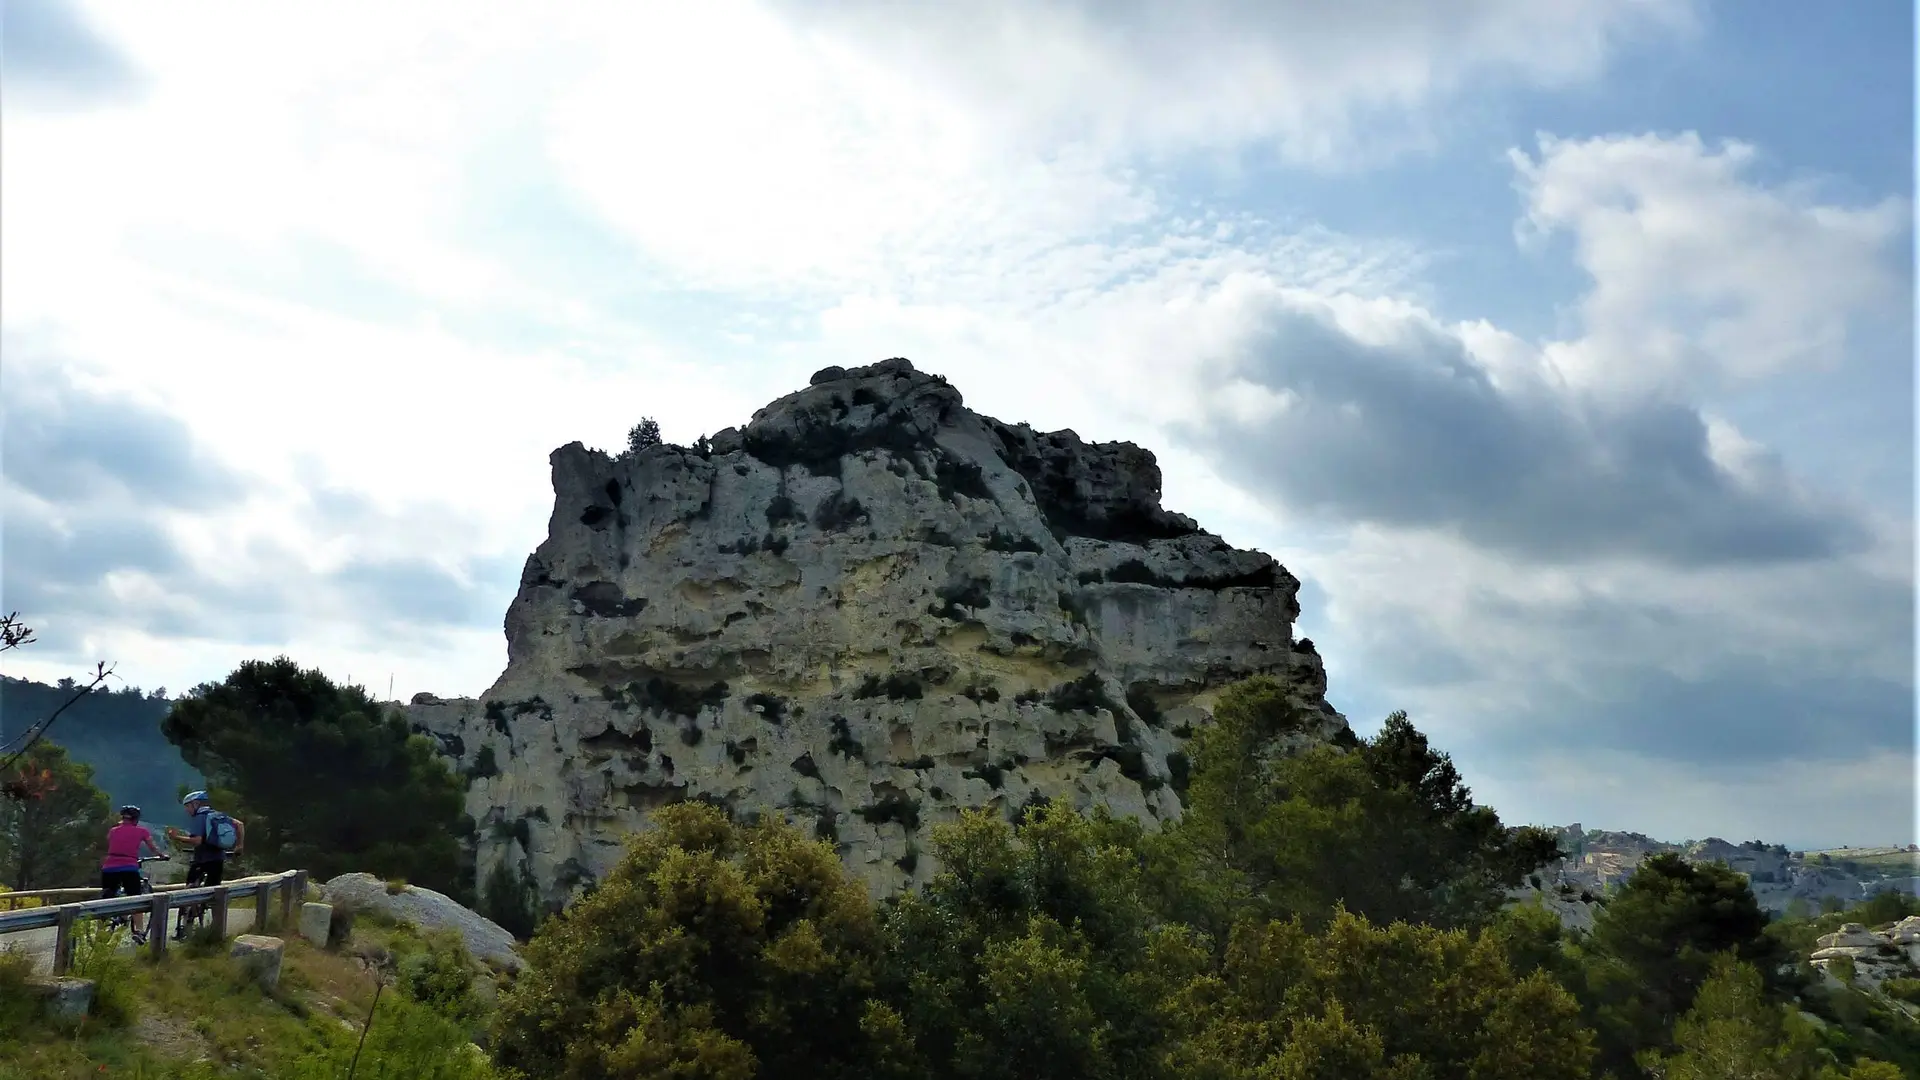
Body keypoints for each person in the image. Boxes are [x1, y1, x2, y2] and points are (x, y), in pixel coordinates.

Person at [164, 791, 245, 940]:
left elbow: (197, 841)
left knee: (189, 891)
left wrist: (177, 837)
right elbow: (240, 825)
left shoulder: (199, 817)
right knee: (216, 894)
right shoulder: (219, 815)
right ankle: (217, 931)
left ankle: (184, 928)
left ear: (196, 804)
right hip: (218, 859)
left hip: (202, 859)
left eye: (188, 806)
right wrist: (239, 845)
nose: (187, 810)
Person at [101, 805, 167, 943]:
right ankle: (139, 931)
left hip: (109, 867)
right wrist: (162, 855)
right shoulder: (142, 831)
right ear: (136, 819)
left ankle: (104, 926)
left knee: (107, 896)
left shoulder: (113, 831)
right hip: (129, 866)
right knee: (136, 898)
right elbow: (153, 847)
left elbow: (110, 841)